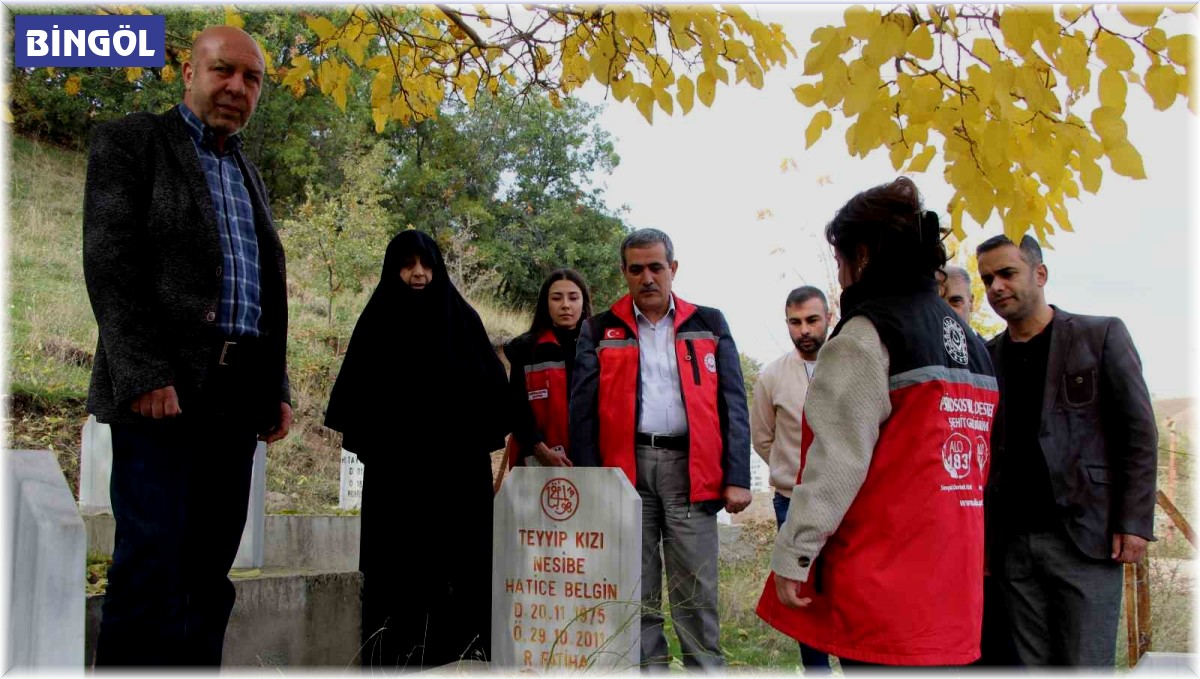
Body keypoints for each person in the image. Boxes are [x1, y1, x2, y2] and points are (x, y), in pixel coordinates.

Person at [83, 25, 292, 666]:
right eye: (223, 71)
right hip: (162, 393)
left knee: (208, 574)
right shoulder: (134, 142)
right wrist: (142, 371)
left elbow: (262, 284)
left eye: (251, 78)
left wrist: (274, 386)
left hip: (235, 399)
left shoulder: (245, 171)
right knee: (150, 569)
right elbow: (111, 262)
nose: (235, 87)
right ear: (188, 74)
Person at [756, 177, 998, 667]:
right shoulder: (968, 341)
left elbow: (837, 460)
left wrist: (795, 554)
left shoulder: (867, 334)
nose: (840, 273)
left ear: (862, 256)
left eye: (841, 259)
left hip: (887, 578)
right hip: (953, 577)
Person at [324, 230, 509, 670]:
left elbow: (494, 393)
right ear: (394, 269)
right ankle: (394, 658)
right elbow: (359, 399)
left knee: (459, 569)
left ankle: (463, 657)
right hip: (398, 477)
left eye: (425, 264)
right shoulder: (377, 321)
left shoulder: (462, 321)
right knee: (397, 571)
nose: (418, 274)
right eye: (407, 265)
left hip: (457, 475)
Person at [570, 228, 752, 670]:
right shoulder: (598, 329)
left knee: (696, 591)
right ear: (624, 273)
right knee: (637, 590)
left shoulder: (708, 322)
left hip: (693, 471)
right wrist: (594, 484)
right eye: (637, 269)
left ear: (673, 268)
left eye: (656, 267)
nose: (647, 278)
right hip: (626, 475)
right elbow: (583, 413)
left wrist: (737, 477)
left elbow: (733, 402)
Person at [976, 234, 1157, 666]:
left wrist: (1133, 522)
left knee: (1086, 663)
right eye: (987, 279)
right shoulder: (986, 357)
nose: (996, 286)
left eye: (1007, 273)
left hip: (1085, 537)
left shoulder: (1100, 335)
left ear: (1040, 275)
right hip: (1012, 545)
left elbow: (1138, 432)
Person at [750, 285, 833, 672]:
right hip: (792, 500)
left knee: (849, 593)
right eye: (795, 322)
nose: (804, 329)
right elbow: (763, 436)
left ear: (828, 319)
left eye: (812, 320)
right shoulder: (771, 376)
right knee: (800, 592)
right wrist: (788, 471)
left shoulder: (852, 364)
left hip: (847, 500)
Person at [504, 269, 592, 468]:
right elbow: (517, 408)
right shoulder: (524, 349)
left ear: (583, 302)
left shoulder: (598, 347)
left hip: (589, 463)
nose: (565, 305)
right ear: (546, 303)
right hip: (536, 461)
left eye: (573, 297)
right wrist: (539, 448)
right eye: (556, 298)